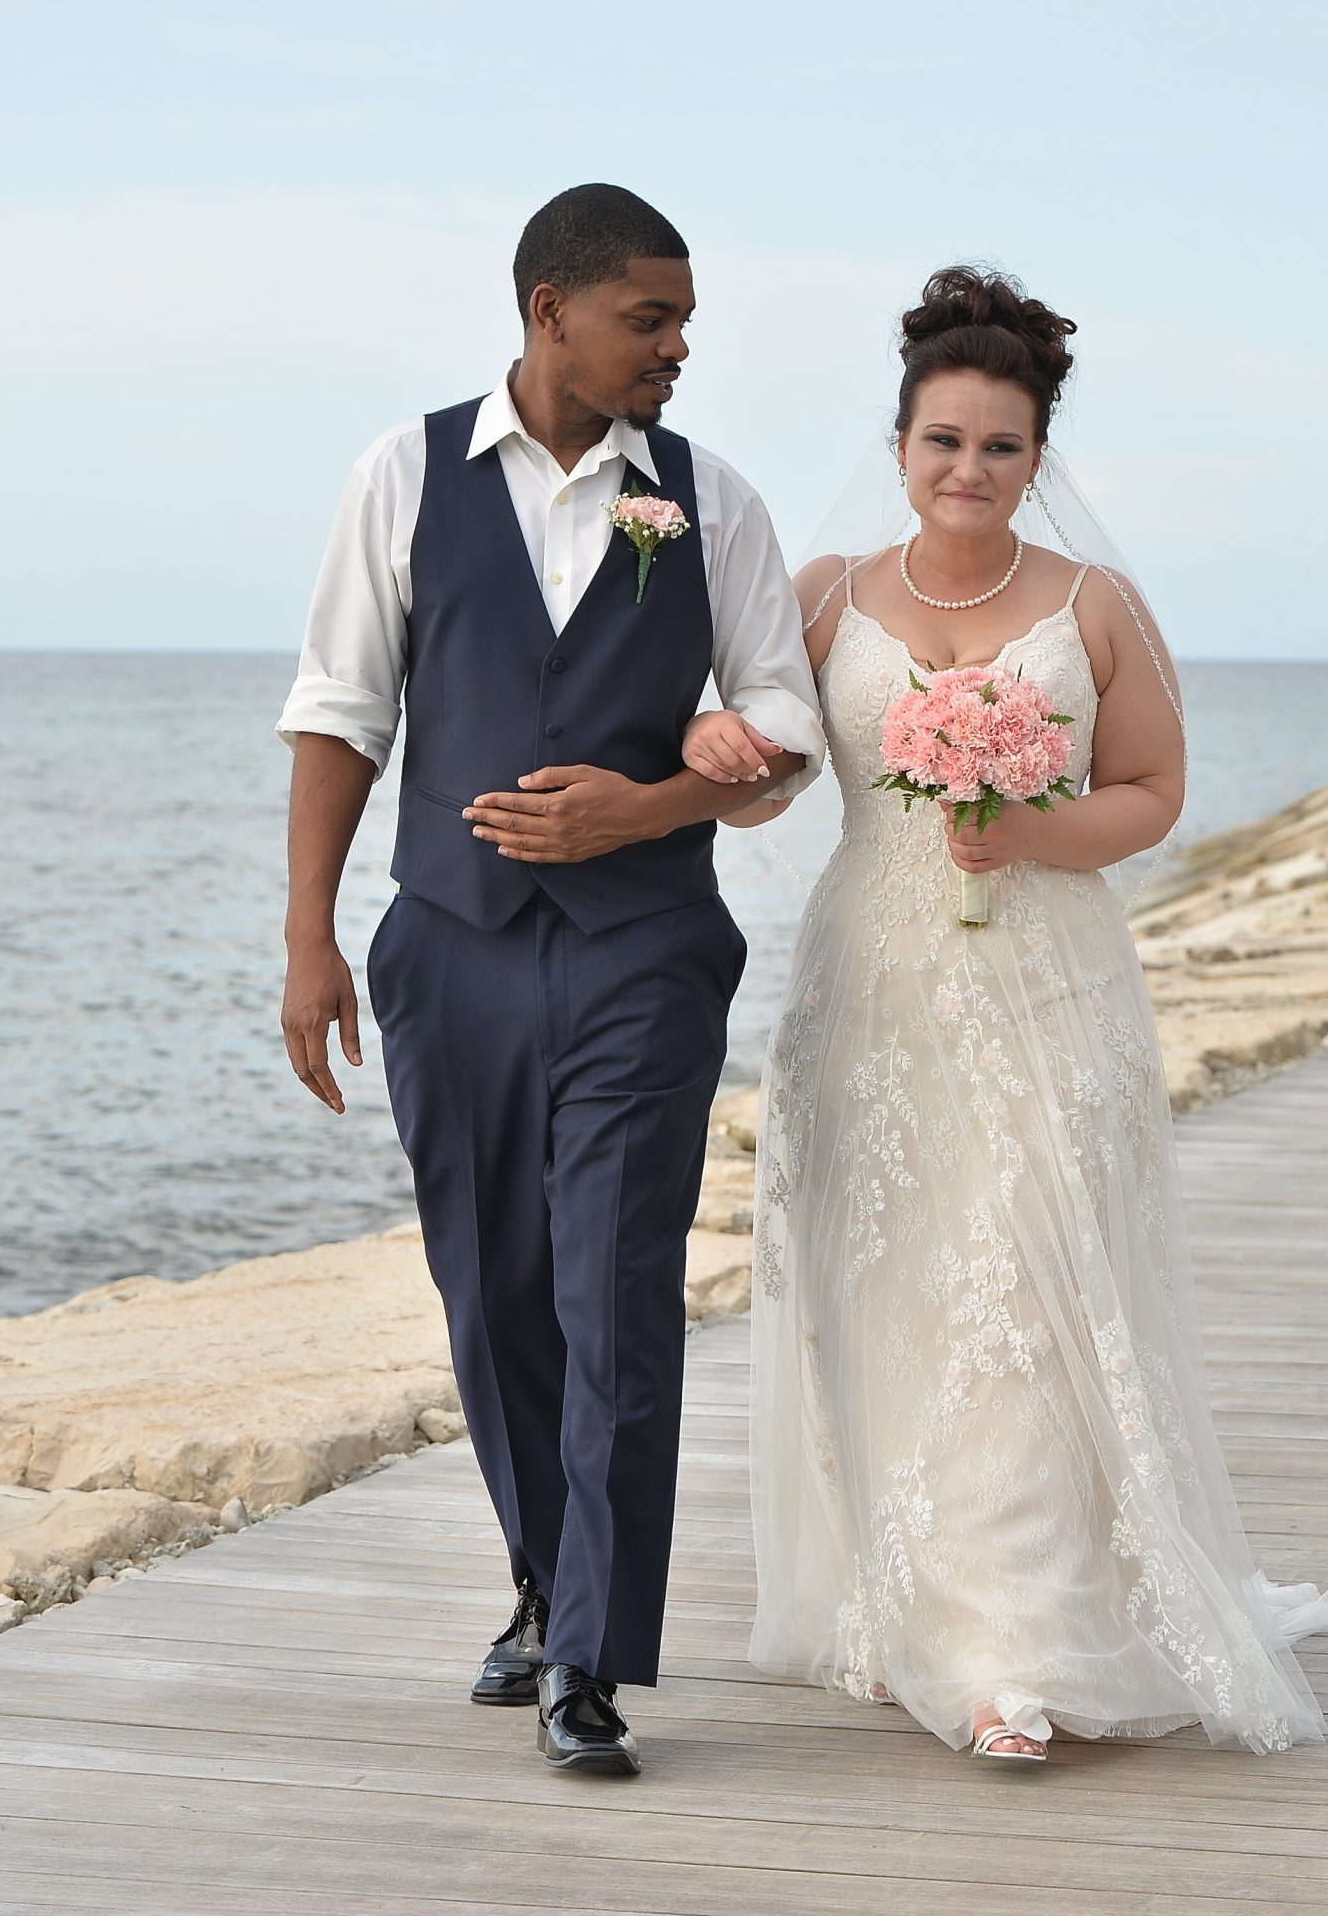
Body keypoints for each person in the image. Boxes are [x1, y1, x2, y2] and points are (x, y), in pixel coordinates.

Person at [694, 265, 1328, 1764]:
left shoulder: (1094, 605)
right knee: (893, 1283)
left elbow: (1157, 793)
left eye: (999, 445)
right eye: (943, 442)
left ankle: (1013, 1654)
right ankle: (899, 1599)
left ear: (1039, 455)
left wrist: (1030, 829)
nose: (968, 471)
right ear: (902, 443)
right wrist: (723, 753)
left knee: (1028, 1303)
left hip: (1052, 979)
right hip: (875, 982)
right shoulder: (829, 595)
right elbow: (768, 780)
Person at [276, 184, 824, 1775]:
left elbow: (781, 725)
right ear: (551, 313)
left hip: (647, 954)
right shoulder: (404, 473)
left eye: (683, 323)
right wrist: (310, 939)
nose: (675, 349)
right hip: (448, 951)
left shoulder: (710, 502)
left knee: (614, 1293)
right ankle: (537, 1577)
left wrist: (646, 804)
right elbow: (339, 712)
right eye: (650, 319)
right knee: (495, 1287)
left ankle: (591, 1652)